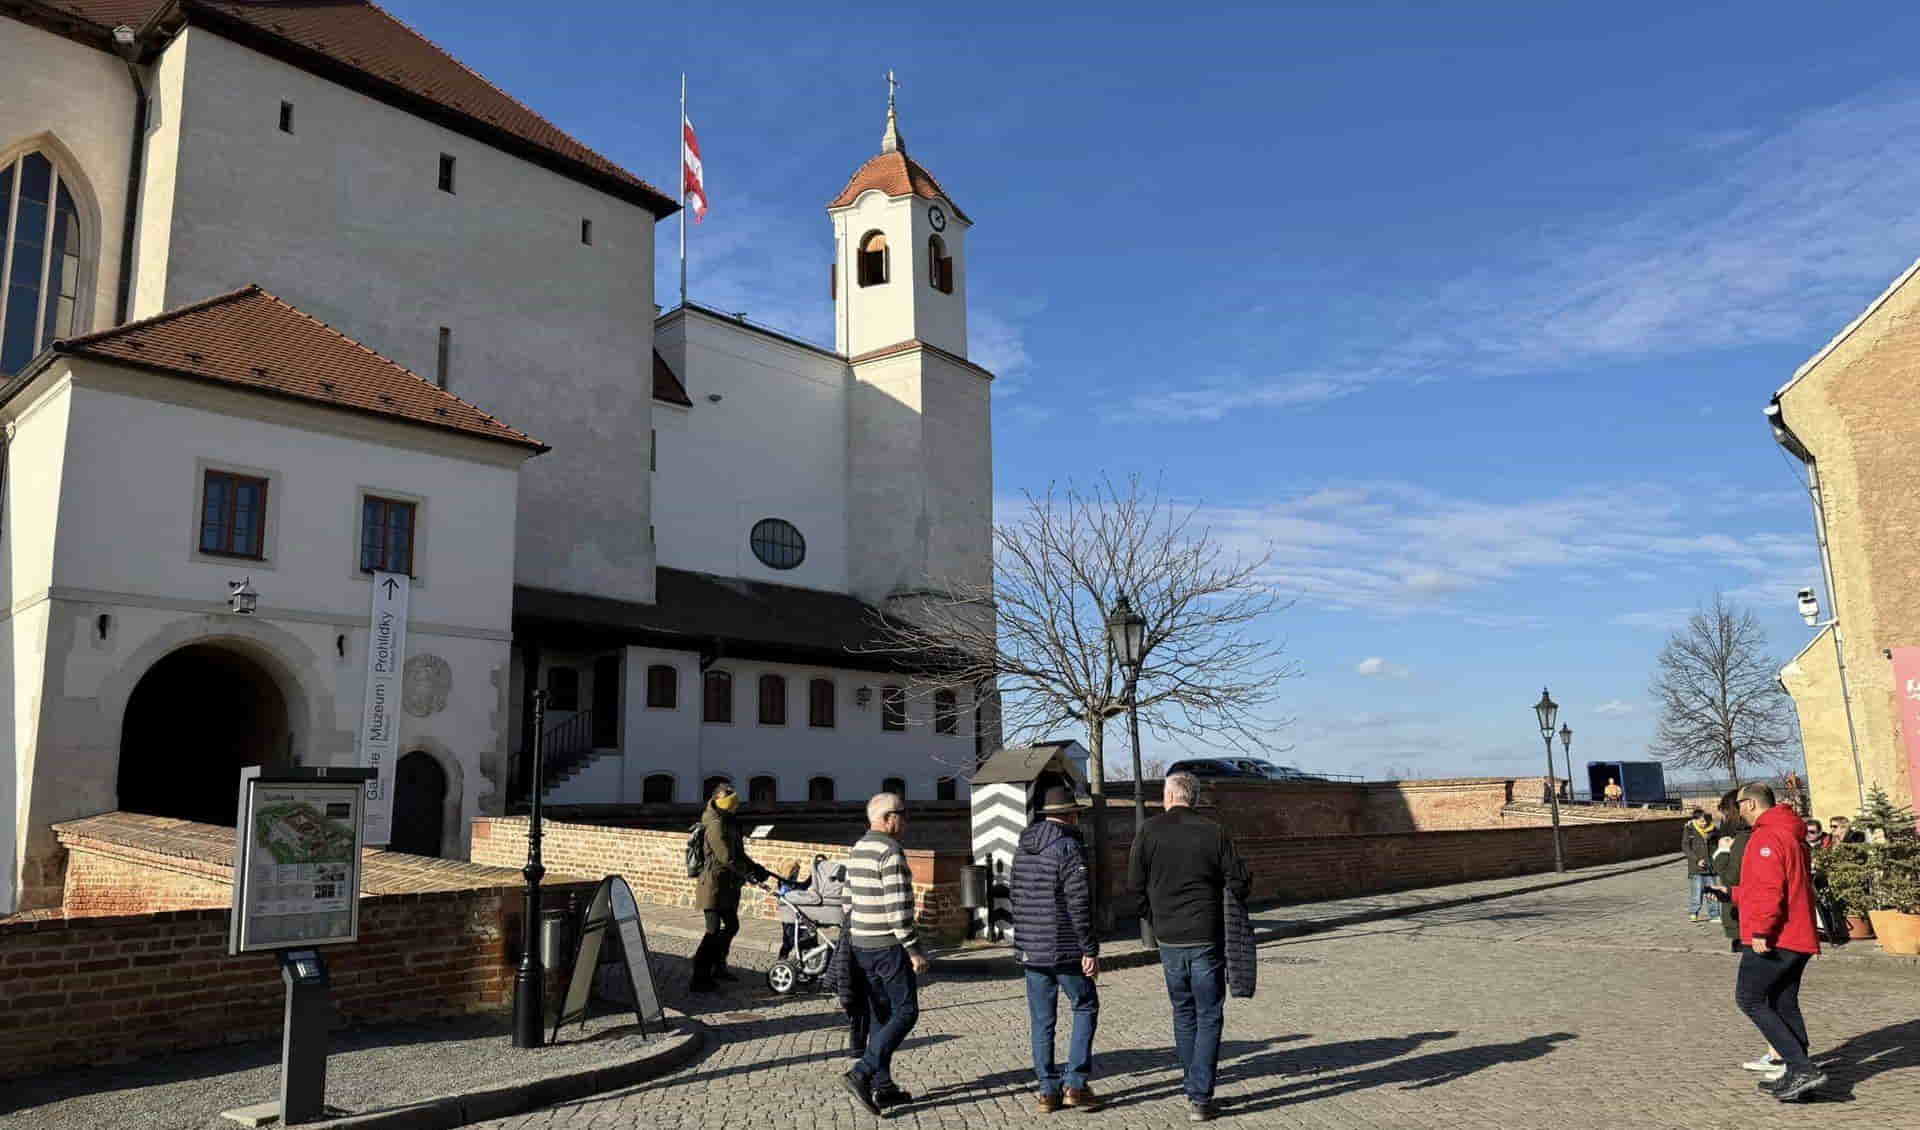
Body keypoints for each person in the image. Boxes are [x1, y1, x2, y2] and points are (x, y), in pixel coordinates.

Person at [1128, 772, 1250, 1123]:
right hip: (1205, 935)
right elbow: (1240, 881)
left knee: (1183, 1011)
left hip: (1169, 936)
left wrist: (1154, 918)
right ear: (1193, 798)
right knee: (1208, 1013)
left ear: (1168, 796)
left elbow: (1134, 885)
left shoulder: (1148, 831)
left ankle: (1192, 1085)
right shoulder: (1214, 831)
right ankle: (1199, 1096)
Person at [1730, 783, 1826, 1103]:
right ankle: (1797, 1074)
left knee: (1749, 998)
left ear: (1750, 804)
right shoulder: (1791, 832)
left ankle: (1802, 1068)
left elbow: (1770, 888)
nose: (1739, 811)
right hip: (1798, 934)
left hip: (1778, 935)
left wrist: (1761, 930)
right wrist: (1732, 895)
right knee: (1784, 1002)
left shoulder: (1767, 835)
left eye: (1739, 804)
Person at [1011, 786, 1102, 1113]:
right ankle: (1075, 1084)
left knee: (1042, 1020)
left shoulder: (1023, 846)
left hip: (1032, 949)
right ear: (1071, 814)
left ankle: (1047, 1090)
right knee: (1085, 1005)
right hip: (1064, 948)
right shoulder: (1068, 847)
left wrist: (1023, 942)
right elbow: (1079, 903)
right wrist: (1089, 948)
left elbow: (1015, 896)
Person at [839, 792, 929, 1117]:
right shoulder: (891, 852)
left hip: (861, 945)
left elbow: (846, 901)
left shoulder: (859, 848)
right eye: (903, 814)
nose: (906, 821)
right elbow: (898, 909)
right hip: (888, 947)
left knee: (880, 1014)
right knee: (906, 1011)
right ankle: (861, 1072)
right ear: (888, 818)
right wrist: (914, 949)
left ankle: (884, 1086)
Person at [689, 782, 772, 993]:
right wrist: (748, 874)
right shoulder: (715, 824)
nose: (735, 807)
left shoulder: (730, 822)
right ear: (720, 801)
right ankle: (700, 976)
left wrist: (756, 868)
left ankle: (718, 966)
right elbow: (725, 857)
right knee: (712, 930)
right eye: (730, 803)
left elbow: (739, 854)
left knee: (732, 925)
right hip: (713, 885)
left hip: (728, 884)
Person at [1683, 808, 1720, 923]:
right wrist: (1696, 860)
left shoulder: (1714, 830)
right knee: (1697, 891)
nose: (1704, 824)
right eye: (1701, 821)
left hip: (1710, 867)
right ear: (1695, 820)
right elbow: (1686, 847)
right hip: (1696, 868)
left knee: (1712, 891)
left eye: (1705, 821)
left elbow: (1717, 845)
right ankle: (1694, 912)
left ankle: (1714, 914)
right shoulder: (1689, 829)